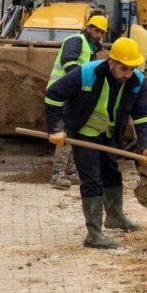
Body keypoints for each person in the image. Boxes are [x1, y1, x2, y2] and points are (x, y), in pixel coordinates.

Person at [44, 37, 147, 249]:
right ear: (111, 62)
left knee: (112, 173)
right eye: (124, 68)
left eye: (132, 68)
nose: (128, 73)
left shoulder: (137, 81)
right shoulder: (87, 73)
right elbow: (53, 95)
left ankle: (114, 217)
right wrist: (56, 129)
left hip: (109, 134)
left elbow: (142, 115)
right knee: (92, 179)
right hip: (84, 132)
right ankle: (94, 234)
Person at [47, 15, 109, 189]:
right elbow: (69, 63)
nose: (98, 35)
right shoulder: (76, 40)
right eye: (96, 30)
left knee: (74, 131)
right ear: (88, 27)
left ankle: (69, 171)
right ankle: (58, 173)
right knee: (66, 132)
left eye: (101, 32)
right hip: (63, 91)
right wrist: (81, 85)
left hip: (74, 94)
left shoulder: (90, 47)